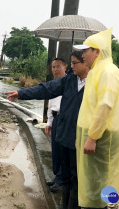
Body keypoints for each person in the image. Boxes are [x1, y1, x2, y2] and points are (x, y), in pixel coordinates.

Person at [6, 51, 89, 209]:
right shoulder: (69, 80)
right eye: (70, 63)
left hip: (80, 139)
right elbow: (46, 89)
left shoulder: (95, 83)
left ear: (85, 63)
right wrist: (21, 94)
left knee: (77, 179)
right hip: (65, 135)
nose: (71, 67)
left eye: (74, 63)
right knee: (66, 179)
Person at [74, 28, 119, 209]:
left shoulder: (108, 72)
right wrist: (80, 136)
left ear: (97, 51)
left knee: (102, 180)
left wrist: (92, 137)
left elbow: (105, 106)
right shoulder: (95, 71)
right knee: (90, 178)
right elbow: (88, 108)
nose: (82, 54)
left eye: (86, 50)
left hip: (101, 137)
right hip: (92, 135)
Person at [44, 58, 67, 192]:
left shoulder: (69, 83)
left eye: (58, 66)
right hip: (56, 118)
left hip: (65, 119)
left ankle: (61, 180)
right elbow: (50, 105)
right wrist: (49, 122)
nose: (55, 69)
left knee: (63, 151)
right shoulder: (53, 84)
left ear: (65, 67)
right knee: (56, 150)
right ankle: (57, 177)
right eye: (53, 67)